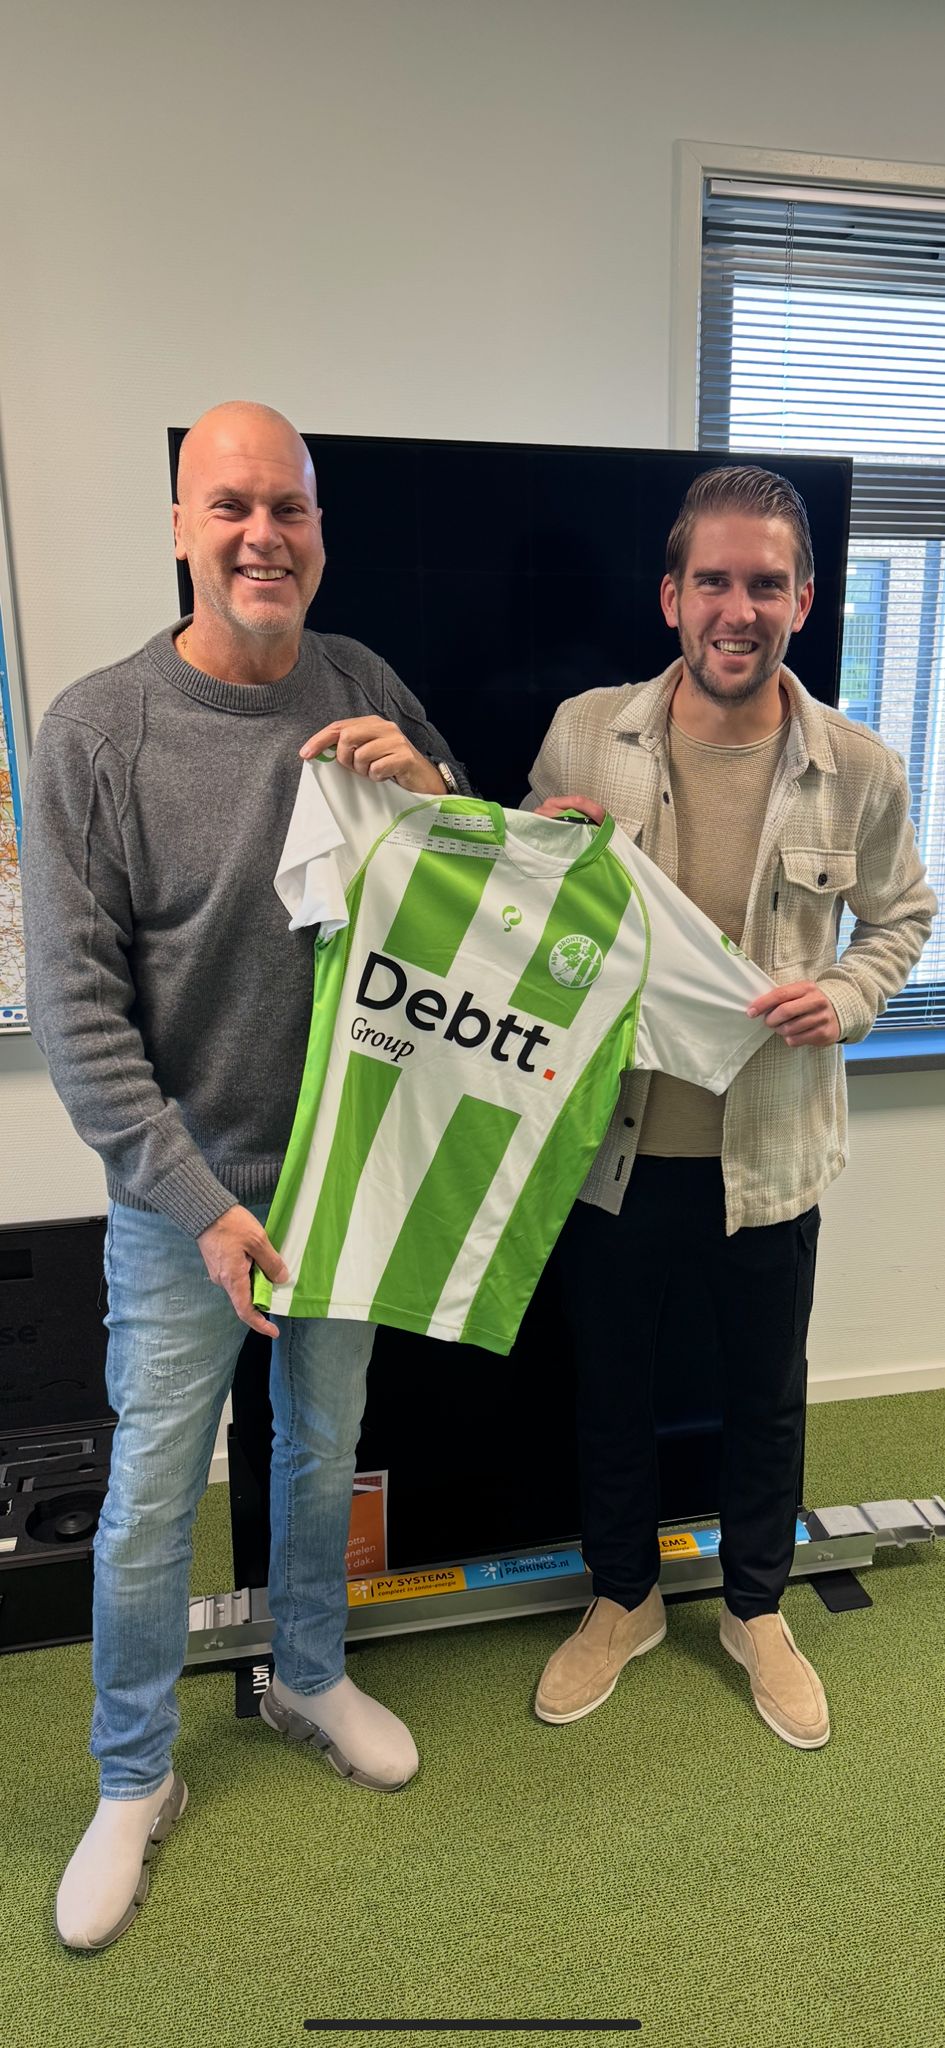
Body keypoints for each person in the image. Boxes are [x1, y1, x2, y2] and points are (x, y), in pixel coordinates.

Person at [22, 401, 467, 1951]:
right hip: (182, 1204)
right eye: (230, 506)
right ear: (179, 529)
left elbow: (472, 888)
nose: (262, 535)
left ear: (320, 531)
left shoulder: (362, 682)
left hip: (349, 1178)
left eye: (288, 507)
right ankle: (132, 1774)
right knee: (153, 1498)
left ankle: (309, 1675)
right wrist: (203, 1207)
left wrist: (430, 785)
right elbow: (76, 1016)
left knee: (322, 1449)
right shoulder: (95, 732)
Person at [527, 465, 936, 1749]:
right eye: (714, 580)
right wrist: (546, 847)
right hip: (615, 1149)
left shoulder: (858, 768)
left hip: (771, 1152)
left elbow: (904, 917)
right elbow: (524, 912)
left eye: (767, 583)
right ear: (672, 595)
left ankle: (758, 1608)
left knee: (766, 1394)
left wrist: (848, 995)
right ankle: (624, 1598)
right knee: (611, 1391)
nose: (738, 608)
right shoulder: (585, 735)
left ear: (805, 600)